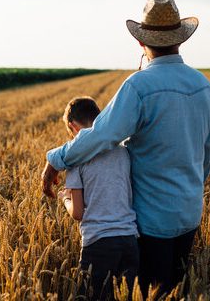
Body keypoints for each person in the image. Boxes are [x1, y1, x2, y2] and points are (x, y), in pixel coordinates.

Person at [41, 0, 210, 296]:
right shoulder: (204, 86)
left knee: (146, 293)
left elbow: (100, 136)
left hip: (150, 223)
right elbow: (206, 159)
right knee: (175, 291)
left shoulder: (139, 86)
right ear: (179, 40)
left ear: (141, 43)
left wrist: (57, 159)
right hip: (189, 215)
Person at [57, 96, 139, 300]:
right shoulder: (122, 151)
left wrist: (64, 199)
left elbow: (77, 213)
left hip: (98, 243)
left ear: (72, 126)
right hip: (130, 239)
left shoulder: (76, 159)